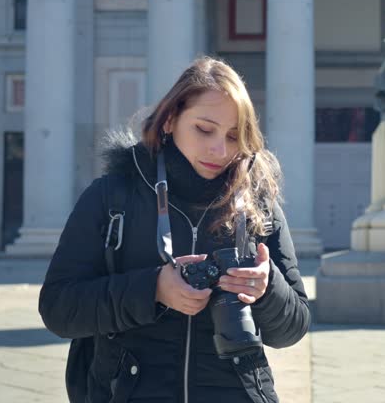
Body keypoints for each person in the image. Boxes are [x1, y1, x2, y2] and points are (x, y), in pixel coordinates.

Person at [39, 57, 310, 403]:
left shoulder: (259, 205)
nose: (220, 149)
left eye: (233, 135)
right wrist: (153, 289)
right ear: (170, 120)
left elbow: (294, 327)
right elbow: (58, 308)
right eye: (204, 129)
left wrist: (266, 286)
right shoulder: (112, 196)